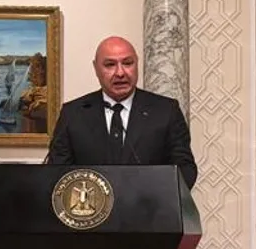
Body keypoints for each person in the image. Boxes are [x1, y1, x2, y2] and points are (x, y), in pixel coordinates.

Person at [45, 36, 197, 188]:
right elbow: (56, 173)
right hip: (90, 201)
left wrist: (155, 193)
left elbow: (185, 170)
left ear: (137, 64)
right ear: (96, 68)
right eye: (110, 65)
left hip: (149, 202)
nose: (120, 73)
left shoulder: (166, 111)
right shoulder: (73, 114)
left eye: (127, 63)